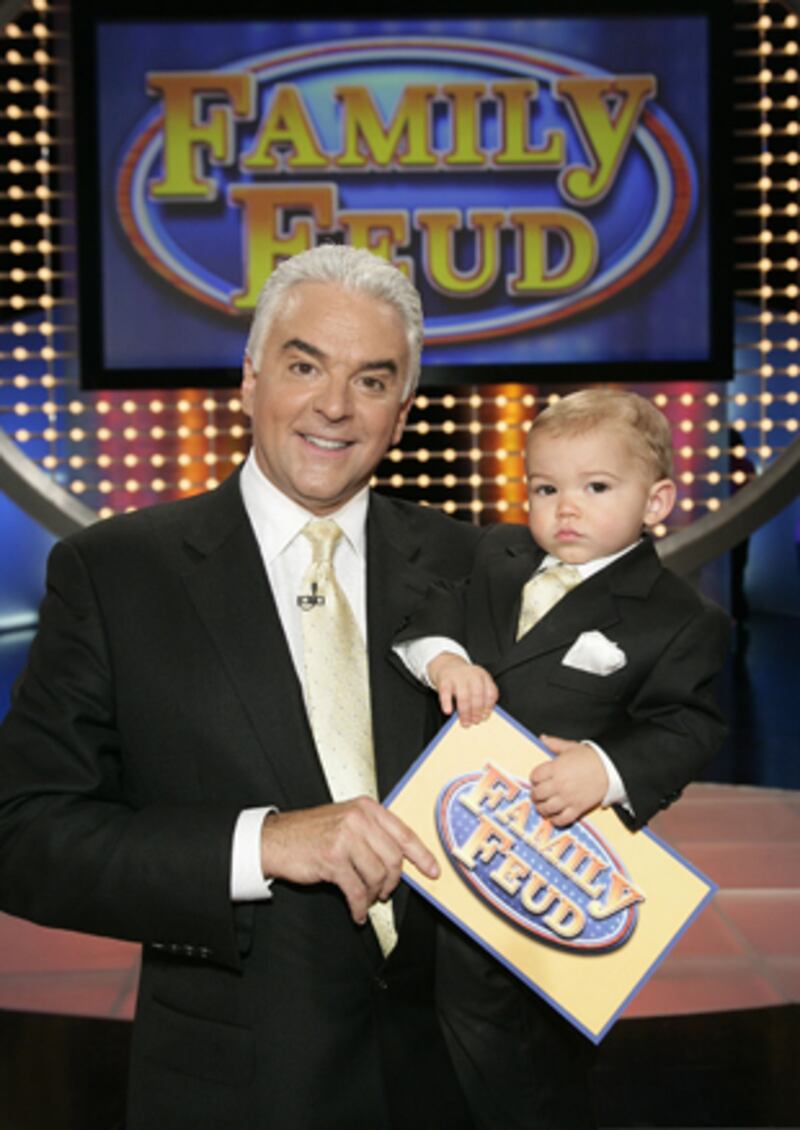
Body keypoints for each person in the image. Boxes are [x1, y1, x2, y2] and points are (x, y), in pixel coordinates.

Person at [0, 245, 482, 1130]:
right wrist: (262, 843)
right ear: (250, 380)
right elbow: (25, 834)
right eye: (305, 366)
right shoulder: (116, 574)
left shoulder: (476, 564)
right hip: (236, 1090)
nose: (334, 406)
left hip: (459, 1086)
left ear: (403, 412)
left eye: (372, 381)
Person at [396, 388, 731, 1129]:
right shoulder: (496, 554)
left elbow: (687, 726)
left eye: (597, 487)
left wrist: (605, 769)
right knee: (419, 1039)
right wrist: (443, 659)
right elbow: (429, 611)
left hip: (540, 870)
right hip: (436, 840)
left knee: (521, 1059)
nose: (566, 508)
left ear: (656, 501)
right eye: (546, 489)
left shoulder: (680, 619)